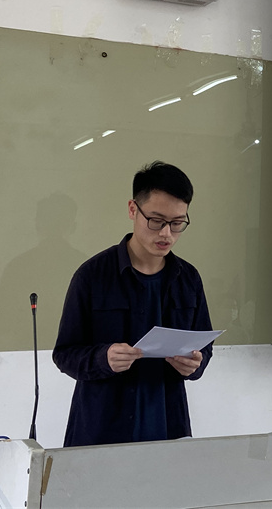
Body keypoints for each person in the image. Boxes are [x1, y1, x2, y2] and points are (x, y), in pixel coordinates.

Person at [53, 161, 213, 447]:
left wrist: (194, 365)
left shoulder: (188, 279)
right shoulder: (92, 276)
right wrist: (103, 358)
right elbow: (65, 354)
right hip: (102, 432)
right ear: (132, 209)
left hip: (168, 426)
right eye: (156, 220)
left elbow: (204, 348)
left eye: (177, 223)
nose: (166, 234)